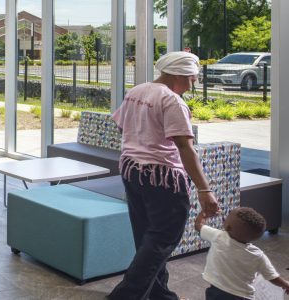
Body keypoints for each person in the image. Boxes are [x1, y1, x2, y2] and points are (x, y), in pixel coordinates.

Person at [107, 51, 221, 300]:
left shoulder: (137, 91)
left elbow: (120, 124)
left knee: (147, 237)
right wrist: (205, 190)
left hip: (131, 170)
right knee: (162, 239)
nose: (193, 85)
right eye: (193, 79)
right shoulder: (172, 101)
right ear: (181, 74)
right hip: (162, 178)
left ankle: (160, 295)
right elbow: (184, 147)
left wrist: (143, 135)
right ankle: (124, 296)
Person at [195, 206, 289, 299]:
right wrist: (286, 284)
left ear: (227, 227)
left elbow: (198, 225)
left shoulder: (218, 237)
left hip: (217, 293)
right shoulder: (257, 255)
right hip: (243, 296)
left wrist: (204, 214)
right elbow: (272, 276)